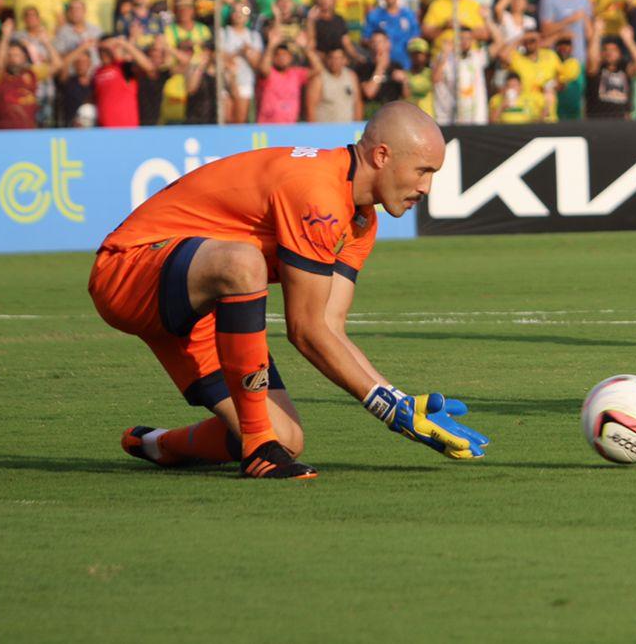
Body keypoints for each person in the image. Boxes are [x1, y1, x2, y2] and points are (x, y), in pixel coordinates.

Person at [89, 102, 488, 480]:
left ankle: (159, 445)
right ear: (382, 155)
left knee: (288, 440)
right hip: (129, 270)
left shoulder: (362, 220)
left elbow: (329, 326)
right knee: (245, 264)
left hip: (201, 306)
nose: (428, 187)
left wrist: (396, 398)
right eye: (423, 170)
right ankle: (258, 449)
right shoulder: (317, 191)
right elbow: (305, 329)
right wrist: (388, 410)